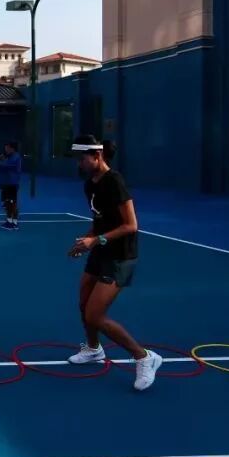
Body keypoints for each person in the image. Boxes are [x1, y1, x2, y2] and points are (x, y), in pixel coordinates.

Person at [67, 135, 161, 391]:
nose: (79, 163)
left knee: (94, 315)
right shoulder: (90, 185)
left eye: (82, 158)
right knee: (84, 301)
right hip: (101, 250)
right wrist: (86, 241)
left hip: (120, 256)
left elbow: (131, 225)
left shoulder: (115, 181)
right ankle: (93, 349)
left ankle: (144, 357)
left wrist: (95, 240)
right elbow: (100, 221)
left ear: (97, 156)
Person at [0, 141, 22, 230]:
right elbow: (3, 167)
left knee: (12, 203)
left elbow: (7, 166)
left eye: (7, 148)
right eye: (5, 148)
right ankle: (10, 221)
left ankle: (14, 223)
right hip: (5, 183)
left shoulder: (16, 157)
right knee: (7, 203)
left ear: (12, 148)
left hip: (11, 183)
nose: (6, 149)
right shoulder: (8, 157)